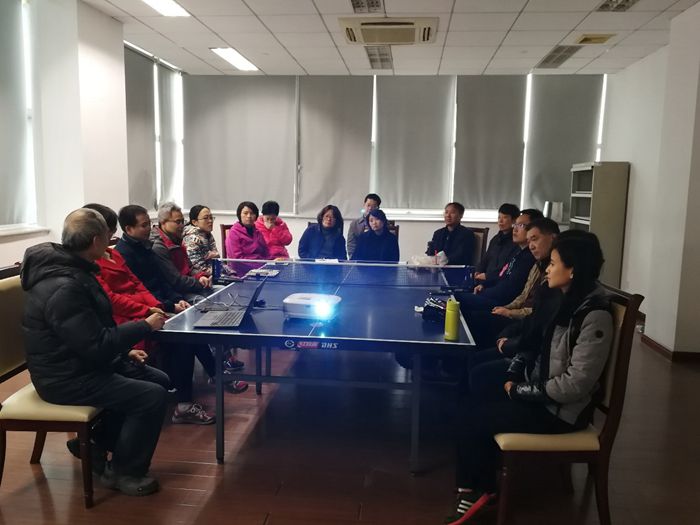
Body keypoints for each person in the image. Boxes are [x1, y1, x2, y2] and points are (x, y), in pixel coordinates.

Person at [445, 232, 613, 524]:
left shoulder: (594, 314)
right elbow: (532, 346)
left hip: (559, 412)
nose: (547, 269)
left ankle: (479, 492)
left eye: (554, 263)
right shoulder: (561, 298)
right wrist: (513, 375)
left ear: (572, 270)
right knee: (474, 397)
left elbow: (576, 384)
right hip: (540, 392)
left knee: (473, 419)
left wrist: (518, 390)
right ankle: (479, 477)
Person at [21, 208, 168, 496]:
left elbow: (88, 334)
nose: (111, 241)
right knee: (151, 397)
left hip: (81, 363)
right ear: (95, 241)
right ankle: (124, 472)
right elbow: (95, 343)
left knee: (158, 379)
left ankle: (95, 444)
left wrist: (123, 353)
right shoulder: (63, 287)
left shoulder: (76, 270)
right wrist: (144, 326)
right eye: (107, 236)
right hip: (64, 378)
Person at [116, 205, 247, 421]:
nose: (149, 228)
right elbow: (136, 292)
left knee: (193, 330)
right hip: (143, 313)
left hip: (160, 304)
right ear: (128, 229)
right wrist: (168, 305)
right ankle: (185, 403)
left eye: (149, 223)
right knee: (186, 336)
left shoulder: (145, 247)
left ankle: (215, 376)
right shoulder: (125, 253)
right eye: (144, 225)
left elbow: (160, 283)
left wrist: (175, 301)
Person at [456, 209, 542, 313]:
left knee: (456, 299)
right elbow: (502, 273)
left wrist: (484, 292)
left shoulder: (530, 258)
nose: (515, 229)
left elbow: (510, 290)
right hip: (492, 292)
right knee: (457, 291)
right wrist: (484, 285)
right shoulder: (518, 252)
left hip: (502, 305)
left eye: (521, 225)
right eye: (515, 225)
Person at [150, 202, 212, 300]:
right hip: (177, 294)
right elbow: (176, 281)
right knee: (205, 301)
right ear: (163, 222)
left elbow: (190, 267)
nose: (182, 225)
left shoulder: (176, 239)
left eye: (183, 221)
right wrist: (198, 282)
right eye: (178, 222)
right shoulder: (158, 247)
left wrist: (201, 276)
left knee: (220, 289)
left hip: (190, 286)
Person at [474, 203, 520, 283]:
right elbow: (485, 259)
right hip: (484, 280)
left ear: (514, 220)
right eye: (499, 217)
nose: (500, 221)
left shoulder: (516, 241)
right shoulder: (495, 239)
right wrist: (478, 270)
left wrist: (487, 276)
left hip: (499, 281)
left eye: (505, 217)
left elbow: (508, 268)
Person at [182, 204, 220, 276]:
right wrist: (220, 273)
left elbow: (216, 260)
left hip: (213, 274)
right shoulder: (191, 239)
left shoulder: (208, 235)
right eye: (206, 218)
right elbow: (198, 269)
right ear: (194, 222)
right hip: (202, 279)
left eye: (211, 217)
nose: (210, 221)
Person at [347, 193, 381, 259]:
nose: (370, 208)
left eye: (374, 206)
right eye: (368, 205)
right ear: (364, 205)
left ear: (378, 208)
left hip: (378, 259)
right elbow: (351, 245)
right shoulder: (354, 224)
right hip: (359, 259)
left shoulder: (383, 224)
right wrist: (354, 261)